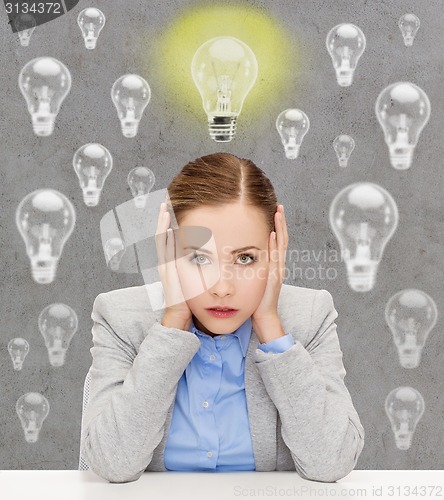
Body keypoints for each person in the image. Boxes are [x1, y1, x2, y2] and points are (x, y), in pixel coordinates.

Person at [80, 152, 365, 483]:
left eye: (245, 258)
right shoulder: (120, 318)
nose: (222, 288)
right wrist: (173, 317)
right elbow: (113, 463)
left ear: (275, 254)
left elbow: (331, 462)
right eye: (199, 259)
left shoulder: (309, 317)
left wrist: (272, 329)